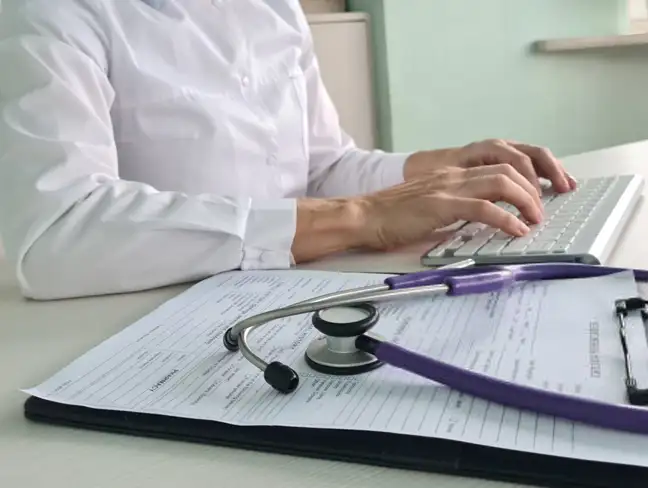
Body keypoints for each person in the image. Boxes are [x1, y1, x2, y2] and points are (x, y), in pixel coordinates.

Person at [0, 0, 576, 300]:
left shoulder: (273, 8)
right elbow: (56, 236)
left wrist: (438, 173)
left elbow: (320, 168)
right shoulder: (47, 14)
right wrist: (359, 217)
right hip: (138, 327)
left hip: (283, 293)